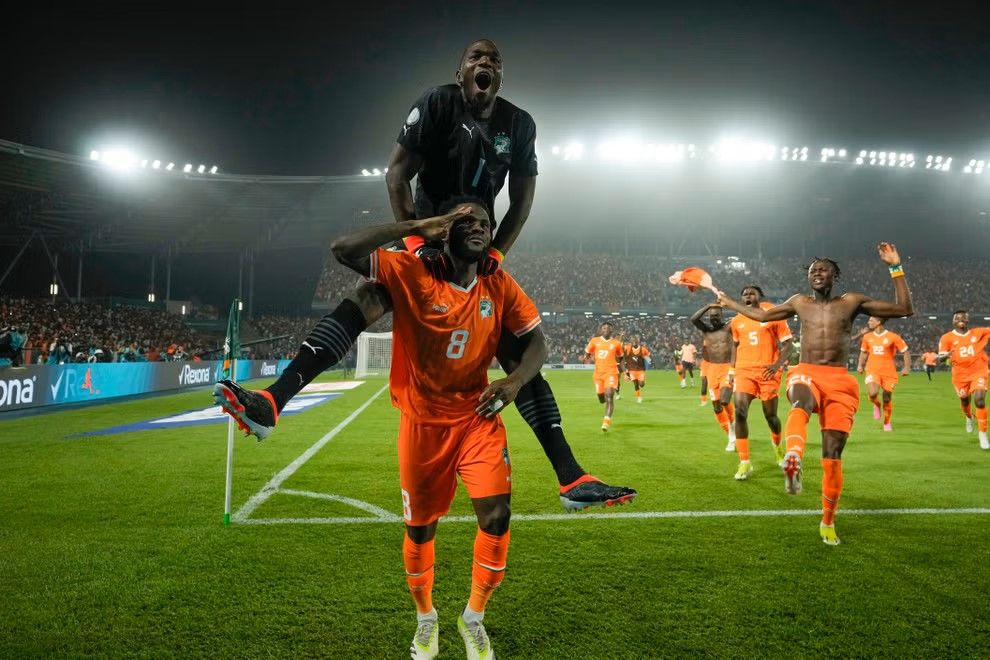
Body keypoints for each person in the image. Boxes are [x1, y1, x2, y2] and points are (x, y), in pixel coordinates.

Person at [214, 39, 634, 511]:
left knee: (517, 355)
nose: (485, 63)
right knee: (367, 298)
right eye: (476, 58)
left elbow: (522, 200)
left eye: (493, 59)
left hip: (476, 242)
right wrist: (414, 243)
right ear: (461, 74)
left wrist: (496, 250)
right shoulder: (437, 103)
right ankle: (274, 401)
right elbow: (396, 175)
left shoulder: (518, 124)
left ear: (501, 76)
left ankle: (570, 477)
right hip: (430, 234)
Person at [331, 198, 546, 660]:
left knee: (497, 516)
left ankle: (473, 618)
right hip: (423, 424)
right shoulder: (412, 273)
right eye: (466, 222)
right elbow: (343, 249)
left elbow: (536, 342)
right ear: (445, 232)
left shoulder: (499, 283)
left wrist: (514, 380)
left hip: (478, 417)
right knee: (421, 529)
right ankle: (425, 617)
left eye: (485, 223)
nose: (480, 228)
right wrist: (417, 225)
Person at [718, 243, 913, 546]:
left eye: (823, 269)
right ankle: (793, 455)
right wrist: (731, 303)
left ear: (835, 275)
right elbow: (760, 317)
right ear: (808, 279)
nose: (817, 272)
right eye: (812, 270)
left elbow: (904, 309)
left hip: (839, 380)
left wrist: (895, 267)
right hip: (806, 370)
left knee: (832, 456)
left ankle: (828, 520)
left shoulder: (851, 301)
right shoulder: (799, 302)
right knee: (800, 398)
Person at [730, 286, 794, 467]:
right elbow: (734, 346)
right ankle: (744, 462)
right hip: (744, 371)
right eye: (744, 294)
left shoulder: (773, 315)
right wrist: (731, 370)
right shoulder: (736, 321)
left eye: (752, 293)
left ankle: (778, 448)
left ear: (760, 296)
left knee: (771, 416)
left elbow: (788, 345)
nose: (748, 295)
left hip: (767, 372)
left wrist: (776, 366)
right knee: (740, 412)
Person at [938, 310, 990, 449]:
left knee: (979, 399)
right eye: (957, 318)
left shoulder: (978, 332)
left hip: (979, 371)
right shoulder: (946, 338)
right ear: (953, 321)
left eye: (963, 317)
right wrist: (945, 356)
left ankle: (982, 434)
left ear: (968, 320)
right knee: (964, 400)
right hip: (960, 376)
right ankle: (969, 417)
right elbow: (941, 358)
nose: (960, 319)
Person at [690, 305, 737, 455]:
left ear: (722, 316)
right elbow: (694, 319)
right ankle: (730, 433)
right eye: (711, 315)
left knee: (724, 400)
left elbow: (741, 316)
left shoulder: (729, 327)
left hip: (726, 368)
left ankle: (733, 427)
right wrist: (709, 306)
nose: (714, 317)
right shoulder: (706, 330)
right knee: (716, 407)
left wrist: (727, 304)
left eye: (716, 315)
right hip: (712, 370)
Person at [857, 317, 910, 431]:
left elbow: (905, 351)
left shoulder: (893, 336)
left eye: (871, 320)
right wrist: (860, 365)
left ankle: (886, 422)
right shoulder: (867, 337)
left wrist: (906, 367)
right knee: (872, 393)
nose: (868, 322)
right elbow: (863, 352)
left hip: (889, 372)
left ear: (879, 322)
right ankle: (876, 404)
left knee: (886, 398)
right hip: (872, 369)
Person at [585, 322, 624, 432]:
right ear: (601, 330)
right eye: (604, 327)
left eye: (608, 328)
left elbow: (621, 357)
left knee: (609, 395)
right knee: (601, 398)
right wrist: (587, 357)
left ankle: (606, 421)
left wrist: (624, 371)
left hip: (611, 373)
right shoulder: (594, 341)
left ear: (611, 330)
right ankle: (605, 406)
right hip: (598, 375)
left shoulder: (616, 343)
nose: (606, 329)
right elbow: (587, 353)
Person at [622, 334, 650, 403]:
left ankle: (641, 385)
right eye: (632, 341)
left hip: (640, 370)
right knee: (635, 384)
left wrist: (650, 362)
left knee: (641, 384)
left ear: (637, 341)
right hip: (632, 370)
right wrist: (621, 337)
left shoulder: (643, 349)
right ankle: (639, 397)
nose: (633, 342)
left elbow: (647, 356)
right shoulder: (628, 348)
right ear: (630, 342)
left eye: (634, 340)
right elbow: (621, 347)